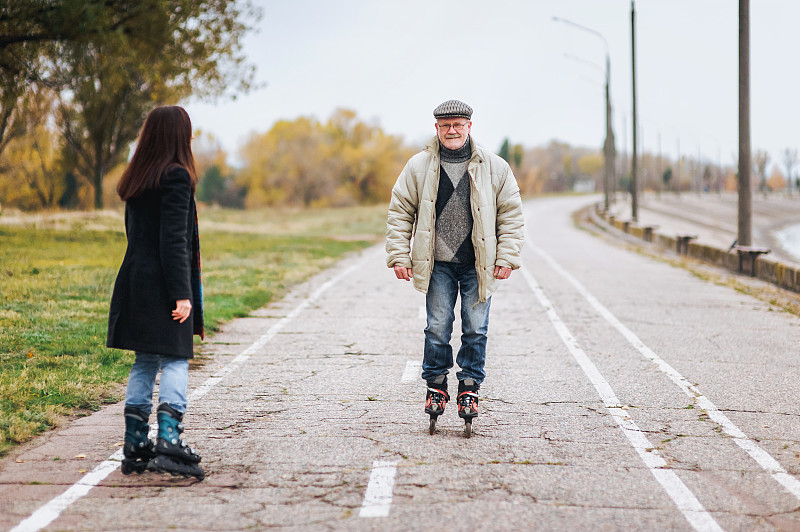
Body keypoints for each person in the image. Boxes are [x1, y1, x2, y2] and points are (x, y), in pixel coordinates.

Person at [386, 99, 524, 437]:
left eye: (458, 125)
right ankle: (436, 384)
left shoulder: (495, 167)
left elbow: (511, 214)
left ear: (469, 127)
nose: (452, 130)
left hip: (479, 265)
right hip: (438, 265)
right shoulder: (418, 166)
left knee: (476, 328)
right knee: (437, 326)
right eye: (445, 125)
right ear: (436, 128)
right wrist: (399, 255)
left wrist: (506, 257)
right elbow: (400, 210)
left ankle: (469, 387)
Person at [107, 105, 205, 479]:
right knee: (176, 359)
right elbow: (174, 241)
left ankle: (135, 445)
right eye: (189, 131)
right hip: (164, 284)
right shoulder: (177, 176)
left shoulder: (138, 177)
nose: (192, 137)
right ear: (177, 136)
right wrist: (182, 295)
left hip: (134, 280)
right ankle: (168, 440)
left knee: (146, 361)